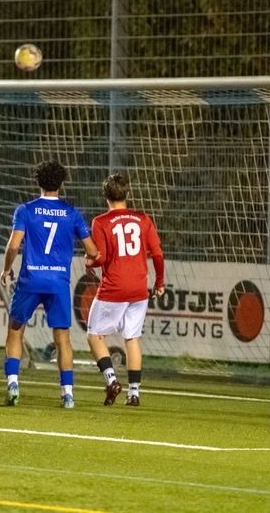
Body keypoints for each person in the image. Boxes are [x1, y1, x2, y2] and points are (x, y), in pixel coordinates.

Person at [0, 160, 97, 409]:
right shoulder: (72, 213)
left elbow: (13, 246)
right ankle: (67, 394)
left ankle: (13, 382)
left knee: (15, 330)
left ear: (38, 181)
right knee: (62, 338)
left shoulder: (25, 210)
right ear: (61, 183)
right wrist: (91, 255)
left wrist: (7, 268)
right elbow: (92, 250)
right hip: (58, 283)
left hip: (30, 280)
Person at [85, 174, 164, 406]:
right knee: (132, 339)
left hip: (114, 288)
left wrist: (89, 262)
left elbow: (102, 258)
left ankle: (111, 381)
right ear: (127, 194)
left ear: (105, 196)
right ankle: (134, 393)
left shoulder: (100, 221)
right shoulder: (143, 219)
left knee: (94, 336)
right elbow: (157, 254)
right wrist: (159, 283)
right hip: (139, 289)